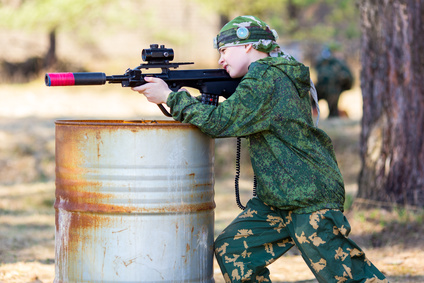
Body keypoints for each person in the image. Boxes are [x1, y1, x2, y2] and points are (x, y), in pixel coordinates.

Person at [132, 15, 387, 283]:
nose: (220, 59)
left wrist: (170, 98)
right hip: (277, 199)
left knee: (349, 276)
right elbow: (230, 114)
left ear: (247, 46)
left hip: (308, 197)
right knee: (233, 250)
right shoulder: (271, 75)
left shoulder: (266, 77)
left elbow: (220, 122)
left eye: (223, 50)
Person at [314, 45, 354, 117]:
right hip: (321, 89)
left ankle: (334, 114)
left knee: (333, 111)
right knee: (312, 96)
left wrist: (341, 85)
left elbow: (349, 80)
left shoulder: (339, 63)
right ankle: (314, 112)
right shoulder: (320, 63)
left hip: (334, 90)